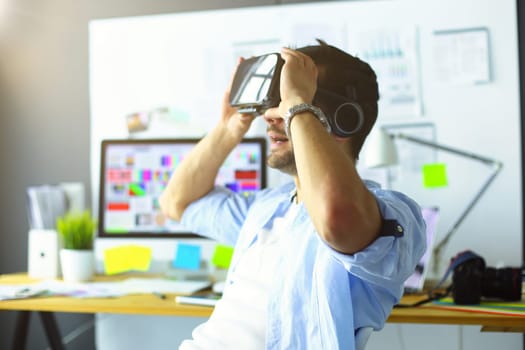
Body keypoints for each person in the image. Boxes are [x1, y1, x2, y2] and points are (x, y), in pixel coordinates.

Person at [159, 40, 426, 349]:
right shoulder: (266, 208)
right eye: (274, 102)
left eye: (287, 99)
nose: (272, 115)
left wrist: (298, 105)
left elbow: (336, 219)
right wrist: (228, 128)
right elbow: (177, 202)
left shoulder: (393, 214)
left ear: (346, 118)